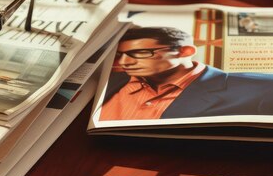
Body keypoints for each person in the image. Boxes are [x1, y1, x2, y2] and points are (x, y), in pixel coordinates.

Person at [100, 26, 273, 121]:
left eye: (141, 52)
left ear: (185, 51)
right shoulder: (111, 80)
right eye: (120, 55)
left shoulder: (260, 88)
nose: (124, 62)